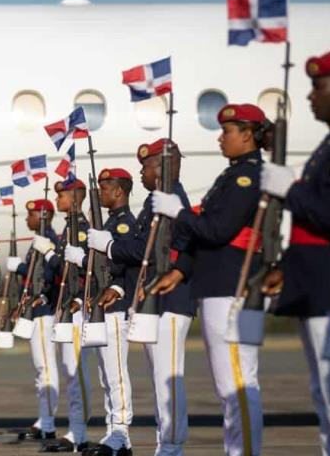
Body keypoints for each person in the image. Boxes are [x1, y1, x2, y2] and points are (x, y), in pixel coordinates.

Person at [259, 49, 330, 454]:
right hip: (320, 280)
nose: (310, 96)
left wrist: (289, 188)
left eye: (318, 87)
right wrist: (287, 268)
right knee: (326, 393)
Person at [151, 104, 269, 456]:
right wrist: (180, 270)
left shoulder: (248, 177)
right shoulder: (232, 175)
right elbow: (207, 234)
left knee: (238, 383)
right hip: (220, 285)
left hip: (234, 286)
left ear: (247, 134)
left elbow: (217, 230)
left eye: (228, 131)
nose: (221, 138)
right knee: (228, 384)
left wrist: (179, 212)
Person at [90, 139, 195, 456]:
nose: (142, 172)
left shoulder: (170, 197)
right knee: (160, 379)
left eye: (146, 165)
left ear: (163, 164)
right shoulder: (157, 199)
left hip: (172, 300)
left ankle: (172, 447)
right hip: (155, 301)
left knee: (168, 380)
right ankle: (166, 445)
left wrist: (107, 246)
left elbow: (141, 249)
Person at [79, 168, 137, 456]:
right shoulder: (110, 222)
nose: (100, 193)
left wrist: (117, 286)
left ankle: (121, 432)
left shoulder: (124, 223)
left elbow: (128, 262)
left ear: (119, 192)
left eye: (105, 188)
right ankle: (113, 435)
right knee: (105, 374)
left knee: (115, 372)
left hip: (115, 307)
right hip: (102, 307)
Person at [37, 179, 93, 453]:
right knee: (71, 372)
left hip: (79, 309)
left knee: (76, 372)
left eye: (62, 196)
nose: (57, 200)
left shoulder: (81, 229)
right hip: (66, 309)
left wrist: (49, 253)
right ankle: (75, 429)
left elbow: (77, 270)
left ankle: (79, 432)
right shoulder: (68, 229)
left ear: (75, 197)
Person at [12, 198, 60, 442]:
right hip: (35, 312)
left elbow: (50, 275)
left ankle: (48, 423)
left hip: (45, 312)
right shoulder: (39, 241)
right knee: (40, 370)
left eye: (31, 215)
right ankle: (44, 418)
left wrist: (20, 268)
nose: (26, 219)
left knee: (46, 368)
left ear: (43, 215)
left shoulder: (49, 241)